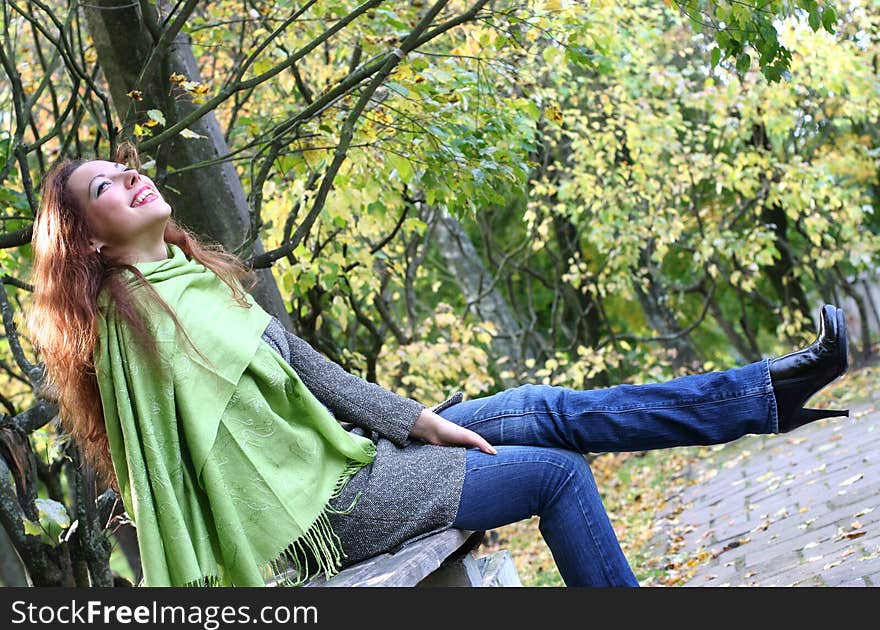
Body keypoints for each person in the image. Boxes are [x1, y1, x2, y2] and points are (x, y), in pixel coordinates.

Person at [25, 145, 850, 588]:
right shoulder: (131, 327)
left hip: (356, 458)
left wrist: (417, 420)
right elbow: (196, 468)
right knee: (557, 474)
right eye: (106, 183)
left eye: (127, 165)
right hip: (331, 510)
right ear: (89, 239)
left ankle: (766, 393)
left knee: (539, 405)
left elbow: (313, 372)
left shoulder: (191, 283)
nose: (132, 175)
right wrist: (412, 426)